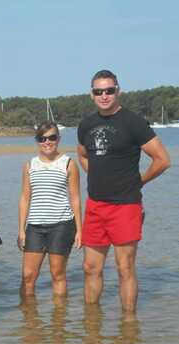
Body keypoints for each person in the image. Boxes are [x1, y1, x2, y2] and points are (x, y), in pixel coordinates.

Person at [77, 69, 171, 312]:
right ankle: (92, 324)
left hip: (126, 205)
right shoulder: (86, 125)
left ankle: (128, 327)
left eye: (109, 90)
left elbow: (162, 160)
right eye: (99, 91)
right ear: (92, 94)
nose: (104, 95)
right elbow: (82, 155)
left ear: (118, 91)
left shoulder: (134, 122)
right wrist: (98, 175)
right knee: (90, 267)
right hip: (96, 205)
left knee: (125, 268)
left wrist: (139, 181)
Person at [17, 121, 82, 300]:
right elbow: (24, 198)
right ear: (37, 141)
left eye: (52, 137)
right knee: (28, 276)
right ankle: (29, 320)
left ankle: (58, 323)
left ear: (58, 139)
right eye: (42, 138)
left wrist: (79, 231)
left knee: (57, 274)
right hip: (35, 227)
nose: (47, 142)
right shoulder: (30, 165)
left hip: (61, 226)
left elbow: (75, 198)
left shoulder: (68, 164)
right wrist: (21, 230)